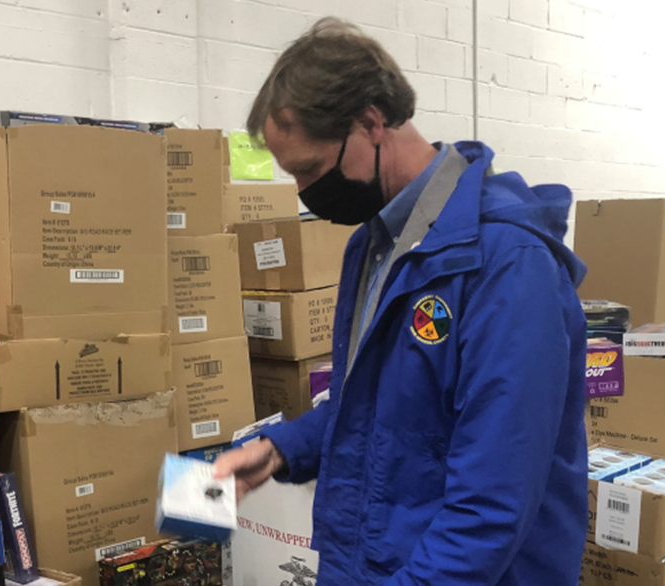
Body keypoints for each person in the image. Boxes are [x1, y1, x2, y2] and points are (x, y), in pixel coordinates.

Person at [214, 17, 589, 586]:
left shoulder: (507, 265)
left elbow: (490, 505)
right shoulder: (373, 246)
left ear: (371, 123)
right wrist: (281, 449)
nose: (305, 193)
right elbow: (383, 410)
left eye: (310, 169)